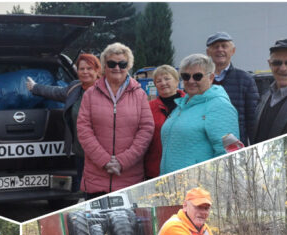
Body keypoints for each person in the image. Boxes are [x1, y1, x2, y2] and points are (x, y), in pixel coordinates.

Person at [76, 42, 154, 199]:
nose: (117, 68)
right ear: (105, 65)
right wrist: (104, 161)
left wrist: (123, 161)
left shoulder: (139, 95)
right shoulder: (90, 94)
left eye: (122, 64)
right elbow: (83, 129)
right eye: (112, 63)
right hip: (96, 177)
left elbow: (146, 129)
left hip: (129, 178)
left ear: (129, 66)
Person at [26, 53, 102, 194]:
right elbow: (56, 92)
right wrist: (35, 87)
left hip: (101, 153)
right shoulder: (75, 88)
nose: (85, 72)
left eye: (89, 68)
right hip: (80, 152)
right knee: (83, 186)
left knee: (98, 189)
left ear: (97, 70)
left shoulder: (106, 91)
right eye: (81, 69)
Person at [160, 54, 239, 176]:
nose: (191, 81)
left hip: (197, 188)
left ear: (211, 77)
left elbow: (228, 156)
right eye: (186, 76)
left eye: (197, 76)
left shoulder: (219, 106)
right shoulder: (182, 104)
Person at [205, 32, 260, 145]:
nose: (220, 50)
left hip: (234, 146)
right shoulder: (198, 79)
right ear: (208, 52)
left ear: (233, 51)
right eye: (215, 47)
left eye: (224, 46)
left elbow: (252, 120)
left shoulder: (245, 80)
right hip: (205, 144)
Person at [144, 65, 185, 180]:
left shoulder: (190, 104)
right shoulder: (148, 108)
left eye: (167, 79)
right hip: (155, 168)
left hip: (184, 165)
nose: (163, 83)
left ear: (177, 81)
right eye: (158, 81)